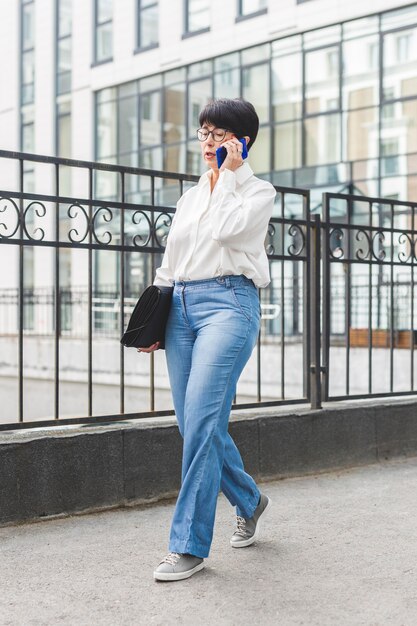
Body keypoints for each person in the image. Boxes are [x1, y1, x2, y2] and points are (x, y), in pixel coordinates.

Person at [138, 97, 276, 582]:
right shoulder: (190, 196)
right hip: (180, 308)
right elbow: (171, 261)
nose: (207, 143)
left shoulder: (259, 192)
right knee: (193, 423)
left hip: (229, 305)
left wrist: (228, 177)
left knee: (200, 419)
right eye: (203, 133)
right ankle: (250, 499)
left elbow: (223, 231)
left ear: (242, 141)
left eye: (218, 135)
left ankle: (189, 546)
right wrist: (155, 317)